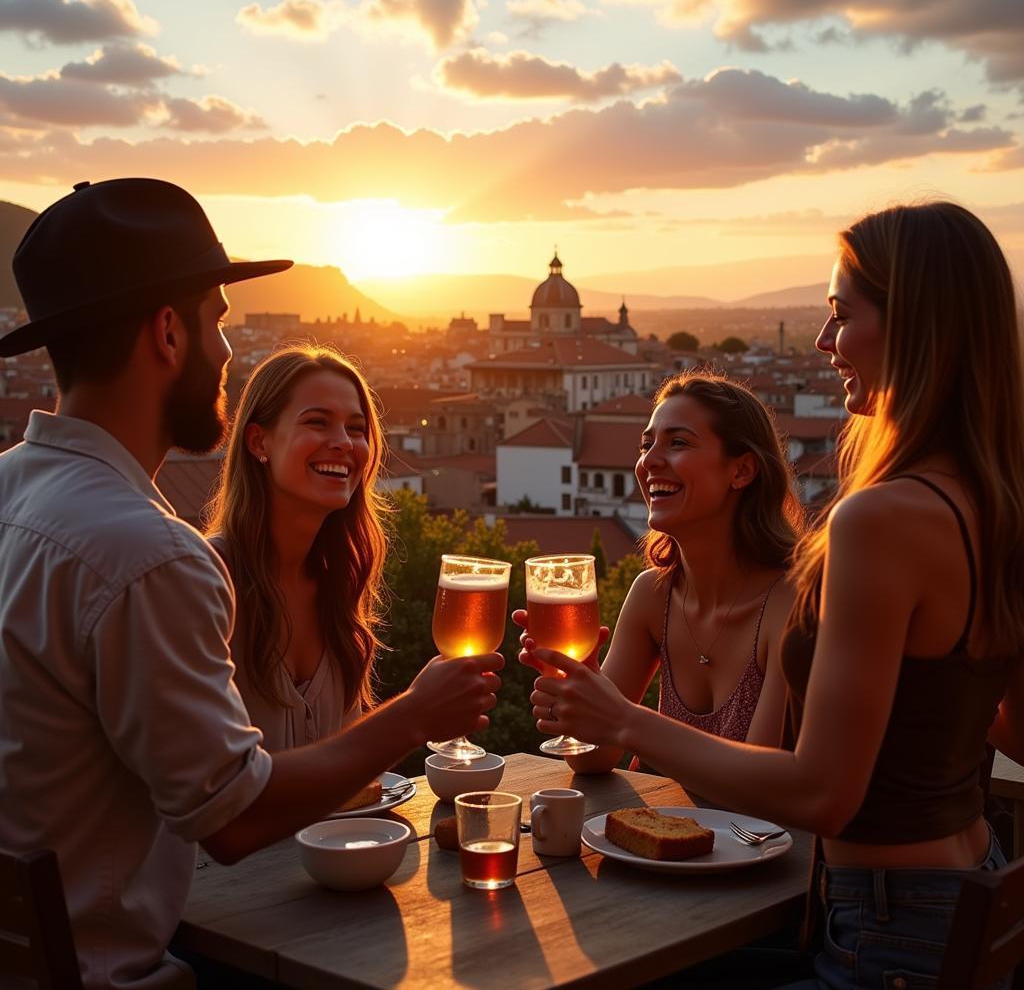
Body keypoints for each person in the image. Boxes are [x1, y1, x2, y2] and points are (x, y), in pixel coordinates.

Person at [0, 178, 502, 990]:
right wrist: (414, 713)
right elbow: (233, 819)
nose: (229, 353)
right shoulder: (150, 554)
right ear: (169, 333)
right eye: (219, 323)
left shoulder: (13, 494)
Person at [524, 201, 1024, 989]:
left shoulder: (880, 518)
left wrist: (624, 719)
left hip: (886, 930)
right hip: (967, 901)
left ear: (914, 324)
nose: (825, 342)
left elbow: (820, 793)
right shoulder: (995, 504)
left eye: (839, 316)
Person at [518, 374, 803, 775]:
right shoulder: (654, 594)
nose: (648, 460)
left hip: (749, 838)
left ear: (742, 471)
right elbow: (594, 759)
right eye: (646, 444)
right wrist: (581, 688)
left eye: (678, 442)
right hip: (656, 830)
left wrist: (626, 721)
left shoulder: (791, 600)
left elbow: (757, 786)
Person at [205, 345, 387, 751]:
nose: (343, 442)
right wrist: (412, 714)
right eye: (318, 422)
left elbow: (350, 779)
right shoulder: (207, 579)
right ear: (258, 442)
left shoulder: (338, 585)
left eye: (356, 429)